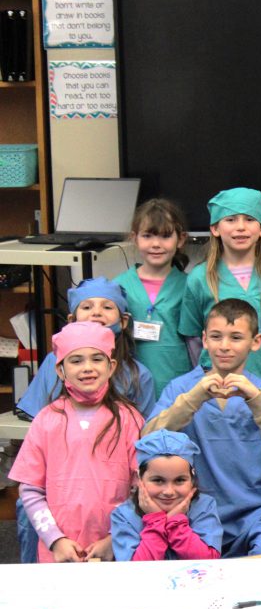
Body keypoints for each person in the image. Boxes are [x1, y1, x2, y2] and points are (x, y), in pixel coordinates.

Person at [146, 298, 261, 557]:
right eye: (216, 336)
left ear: (256, 341)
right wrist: (194, 399)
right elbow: (148, 441)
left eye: (236, 337)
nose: (224, 346)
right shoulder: (182, 389)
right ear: (204, 339)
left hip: (258, 511)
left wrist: (256, 400)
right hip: (194, 510)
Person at [10, 322, 143, 562]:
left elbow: (141, 488)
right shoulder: (46, 421)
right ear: (60, 370)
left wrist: (115, 538)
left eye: (96, 359)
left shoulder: (130, 420)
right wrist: (55, 540)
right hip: (60, 553)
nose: (87, 367)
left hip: (118, 549)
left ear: (111, 366)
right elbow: (30, 490)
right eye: (76, 360)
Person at [179, 187, 261, 398]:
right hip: (220, 386)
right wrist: (209, 374)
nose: (241, 227)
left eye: (250, 219)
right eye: (231, 219)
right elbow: (194, 338)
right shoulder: (200, 278)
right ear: (215, 228)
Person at [17, 277, 155, 419]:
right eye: (86, 307)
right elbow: (37, 419)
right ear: (71, 321)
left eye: (107, 307)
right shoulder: (54, 361)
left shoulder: (137, 375)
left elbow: (144, 432)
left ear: (123, 321)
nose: (96, 313)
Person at [114, 198, 191, 397]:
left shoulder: (191, 286)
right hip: (130, 383)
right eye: (147, 236)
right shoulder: (118, 287)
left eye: (165, 236)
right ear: (135, 238)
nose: (156, 244)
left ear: (180, 239)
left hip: (178, 381)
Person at [111, 429, 222, 561]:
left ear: (192, 479)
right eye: (158, 480)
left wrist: (176, 524)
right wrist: (155, 522)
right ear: (139, 478)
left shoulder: (204, 507)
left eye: (179, 480)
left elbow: (207, 561)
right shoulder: (124, 515)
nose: (169, 491)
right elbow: (136, 569)